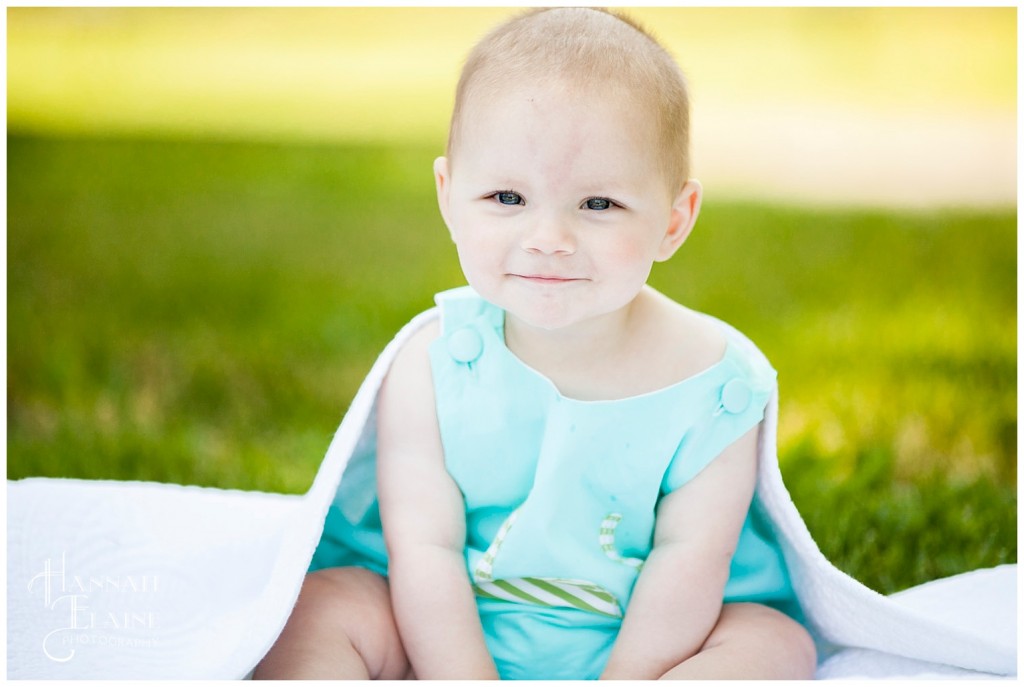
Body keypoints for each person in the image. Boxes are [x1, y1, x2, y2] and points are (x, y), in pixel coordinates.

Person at [254, 7, 816, 680]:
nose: (548, 236)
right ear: (449, 196)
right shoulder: (434, 364)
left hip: (651, 638)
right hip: (441, 627)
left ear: (674, 220)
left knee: (775, 644)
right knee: (321, 609)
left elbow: (689, 562)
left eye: (598, 204)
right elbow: (425, 547)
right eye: (507, 196)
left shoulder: (715, 384)